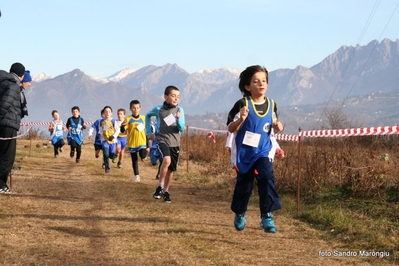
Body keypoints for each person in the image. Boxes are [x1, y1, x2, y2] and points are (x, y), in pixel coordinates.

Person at [226, 65, 284, 233]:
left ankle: (267, 216)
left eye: (264, 81)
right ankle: (240, 212)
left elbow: (272, 126)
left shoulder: (272, 105)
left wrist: (278, 126)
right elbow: (230, 128)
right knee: (245, 184)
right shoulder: (243, 104)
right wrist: (241, 119)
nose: (261, 84)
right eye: (256, 81)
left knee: (266, 176)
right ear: (247, 86)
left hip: (263, 151)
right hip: (245, 153)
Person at [145, 85, 185, 203]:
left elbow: (182, 128)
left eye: (178, 96)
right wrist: (149, 132)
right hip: (162, 139)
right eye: (173, 96)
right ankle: (160, 185)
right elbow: (147, 115)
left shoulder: (180, 110)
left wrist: (178, 119)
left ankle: (166, 191)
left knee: (171, 169)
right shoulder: (158, 109)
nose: (176, 98)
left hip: (175, 142)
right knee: (166, 161)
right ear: (166, 97)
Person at [0, 62, 26, 194]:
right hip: (7, 124)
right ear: (21, 75)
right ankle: (1, 185)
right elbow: (5, 104)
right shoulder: (13, 85)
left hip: (3, 123)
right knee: (7, 156)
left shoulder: (3, 82)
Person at [120, 100, 147, 182]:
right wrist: (122, 126)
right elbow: (122, 131)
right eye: (134, 108)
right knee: (134, 160)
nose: (136, 110)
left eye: (137, 108)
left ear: (140, 108)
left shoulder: (143, 118)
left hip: (142, 141)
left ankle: (143, 156)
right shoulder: (128, 119)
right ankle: (136, 175)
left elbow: (148, 128)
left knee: (142, 155)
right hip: (132, 143)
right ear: (130, 109)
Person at [99, 106, 119, 173]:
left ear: (111, 113)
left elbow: (117, 130)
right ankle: (107, 168)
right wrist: (102, 138)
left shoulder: (113, 121)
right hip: (105, 141)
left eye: (109, 112)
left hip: (112, 141)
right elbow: (100, 131)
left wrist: (113, 136)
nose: (107, 113)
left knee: (111, 155)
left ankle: (114, 156)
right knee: (106, 154)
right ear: (104, 113)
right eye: (106, 112)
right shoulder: (102, 122)